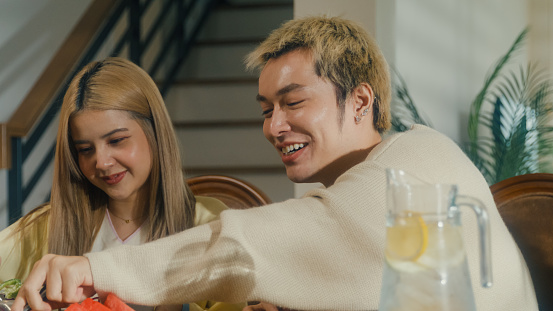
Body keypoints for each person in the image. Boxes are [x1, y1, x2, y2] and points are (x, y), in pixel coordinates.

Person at [12, 16, 537, 311]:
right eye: (266, 110)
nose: (273, 127)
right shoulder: (410, 159)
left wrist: (93, 268)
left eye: (292, 102)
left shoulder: (407, 169)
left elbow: (252, 243)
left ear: (359, 101)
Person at [0, 57, 244, 311]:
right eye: (85, 149)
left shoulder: (210, 224)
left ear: (155, 132)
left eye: (116, 140)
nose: (102, 163)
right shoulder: (45, 226)